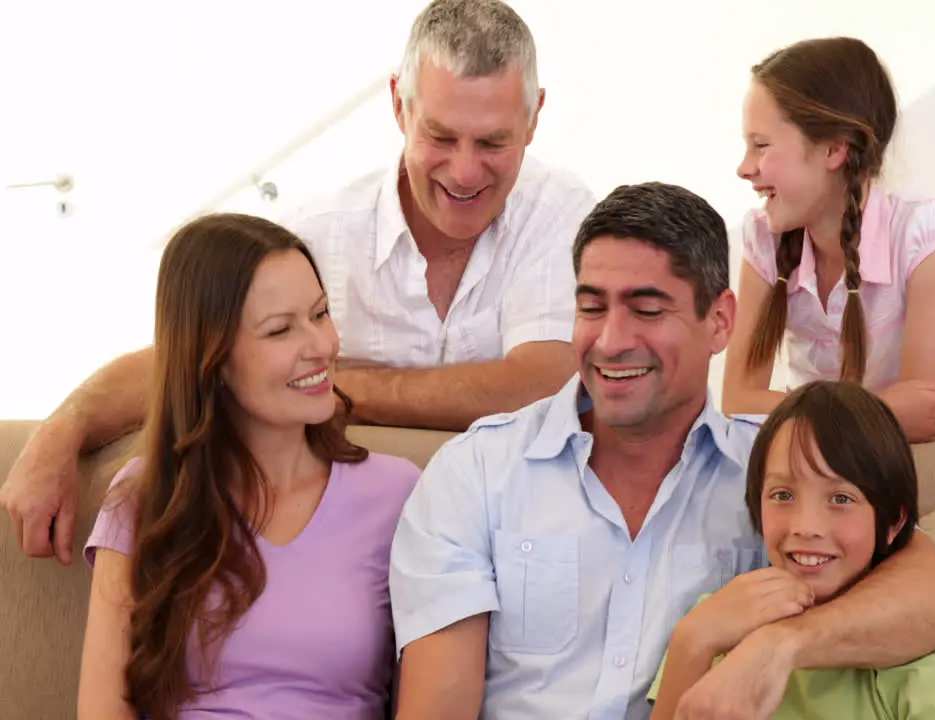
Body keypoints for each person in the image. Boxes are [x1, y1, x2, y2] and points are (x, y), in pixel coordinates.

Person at [2, 0, 594, 565]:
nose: (465, 171)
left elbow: (542, 384)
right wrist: (62, 432)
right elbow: (192, 358)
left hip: (506, 548)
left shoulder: (562, 214)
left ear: (535, 116)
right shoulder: (317, 234)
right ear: (398, 105)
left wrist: (323, 386)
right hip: (335, 556)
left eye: (493, 142)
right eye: (440, 136)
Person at [388, 182, 935, 720]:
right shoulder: (477, 472)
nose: (612, 341)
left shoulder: (783, 475)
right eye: (592, 307)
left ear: (720, 321)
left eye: (647, 310)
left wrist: (782, 643)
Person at [77, 213, 421, 719]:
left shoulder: (397, 494)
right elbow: (104, 710)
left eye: (321, 314)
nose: (321, 346)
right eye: (280, 330)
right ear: (211, 359)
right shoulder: (143, 494)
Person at [649, 380, 935, 719]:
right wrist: (691, 642)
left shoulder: (925, 670)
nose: (805, 526)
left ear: (894, 523)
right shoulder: (716, 618)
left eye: (841, 499)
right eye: (782, 495)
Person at [721, 37, 935, 443]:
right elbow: (738, 400)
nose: (744, 167)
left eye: (761, 145)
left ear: (834, 149)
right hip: (808, 464)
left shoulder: (923, 233)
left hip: (904, 472)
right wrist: (886, 412)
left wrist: (796, 412)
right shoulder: (763, 237)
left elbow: (926, 417)